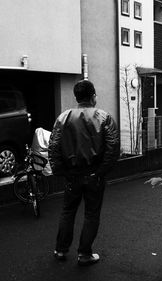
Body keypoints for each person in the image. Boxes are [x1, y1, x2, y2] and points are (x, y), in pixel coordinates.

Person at [48, 79, 119, 266]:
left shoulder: (63, 118)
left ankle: (60, 250)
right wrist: (101, 171)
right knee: (91, 214)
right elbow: (113, 147)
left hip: (72, 174)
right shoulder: (104, 117)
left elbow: (54, 146)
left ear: (76, 97)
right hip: (94, 174)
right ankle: (84, 254)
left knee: (68, 211)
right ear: (93, 96)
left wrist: (61, 171)